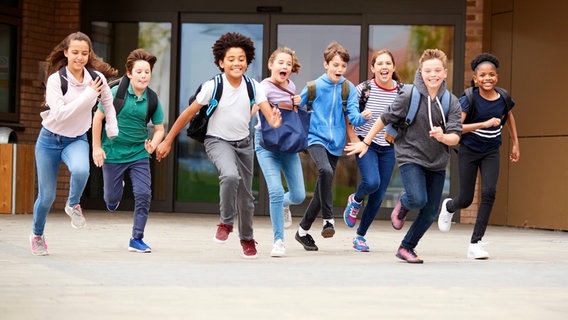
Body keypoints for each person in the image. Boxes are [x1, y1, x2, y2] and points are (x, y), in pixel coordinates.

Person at [155, 32, 282, 259]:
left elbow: (267, 114)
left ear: (247, 61)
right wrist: (168, 140)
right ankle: (225, 223)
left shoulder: (254, 86)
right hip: (216, 140)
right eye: (231, 59)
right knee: (230, 176)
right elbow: (187, 114)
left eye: (241, 58)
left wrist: (273, 120)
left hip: (243, 143)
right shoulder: (213, 86)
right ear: (221, 62)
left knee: (246, 197)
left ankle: (247, 239)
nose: (237, 63)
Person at [345, 48, 462, 263]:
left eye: (437, 70)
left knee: (430, 212)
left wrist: (443, 137)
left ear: (445, 72)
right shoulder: (409, 95)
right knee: (417, 198)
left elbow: (456, 136)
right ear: (421, 71)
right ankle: (405, 203)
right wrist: (365, 143)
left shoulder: (451, 102)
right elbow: (384, 118)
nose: (433, 75)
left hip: (437, 160)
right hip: (410, 156)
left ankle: (406, 247)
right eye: (428, 70)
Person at [29, 31, 119, 256]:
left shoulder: (95, 78)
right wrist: (89, 96)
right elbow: (60, 115)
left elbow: (107, 102)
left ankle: (73, 204)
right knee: (47, 197)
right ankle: (37, 235)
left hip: (76, 139)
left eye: (84, 53)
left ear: (89, 55)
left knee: (81, 171)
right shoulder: (55, 80)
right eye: (75, 52)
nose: (80, 57)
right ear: (66, 53)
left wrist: (111, 127)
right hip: (49, 141)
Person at [437, 53, 520, 259]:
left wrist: (516, 143)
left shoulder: (503, 97)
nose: (487, 78)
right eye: (482, 75)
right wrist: (483, 124)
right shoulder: (469, 99)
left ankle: (476, 243)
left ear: (496, 77)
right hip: (469, 152)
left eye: (491, 74)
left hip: (491, 151)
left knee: (490, 192)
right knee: (465, 200)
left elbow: (509, 117)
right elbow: (456, 128)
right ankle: (449, 206)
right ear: (475, 79)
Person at [294, 41, 372, 251]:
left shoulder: (348, 89)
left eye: (343, 66)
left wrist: (363, 118)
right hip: (315, 138)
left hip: (336, 143)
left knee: (322, 190)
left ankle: (302, 231)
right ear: (326, 64)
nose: (339, 69)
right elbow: (296, 107)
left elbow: (353, 117)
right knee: (325, 170)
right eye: (335, 65)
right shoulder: (314, 86)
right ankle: (328, 219)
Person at [92, 48, 165, 253]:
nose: (144, 76)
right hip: (113, 152)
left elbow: (160, 129)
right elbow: (98, 119)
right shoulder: (116, 93)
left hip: (138, 153)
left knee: (143, 194)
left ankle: (137, 238)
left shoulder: (152, 99)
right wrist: (97, 147)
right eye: (139, 72)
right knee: (111, 199)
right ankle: (115, 192)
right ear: (130, 74)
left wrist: (153, 143)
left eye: (147, 72)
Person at [342, 49, 400, 252]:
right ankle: (355, 199)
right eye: (380, 64)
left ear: (393, 67)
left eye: (388, 63)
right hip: (365, 145)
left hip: (388, 147)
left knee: (378, 195)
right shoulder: (363, 90)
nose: (384, 67)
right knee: (371, 182)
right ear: (373, 68)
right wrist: (355, 140)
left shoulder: (401, 92)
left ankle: (360, 236)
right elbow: (347, 117)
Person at [253, 47, 306, 257]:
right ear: (270, 64)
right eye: (281, 62)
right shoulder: (261, 88)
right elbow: (254, 108)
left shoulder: (291, 85)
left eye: (288, 64)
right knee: (275, 190)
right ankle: (278, 241)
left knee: (299, 195)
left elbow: (291, 111)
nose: (284, 66)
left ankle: (284, 205)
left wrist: (296, 102)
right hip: (265, 144)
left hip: (287, 145)